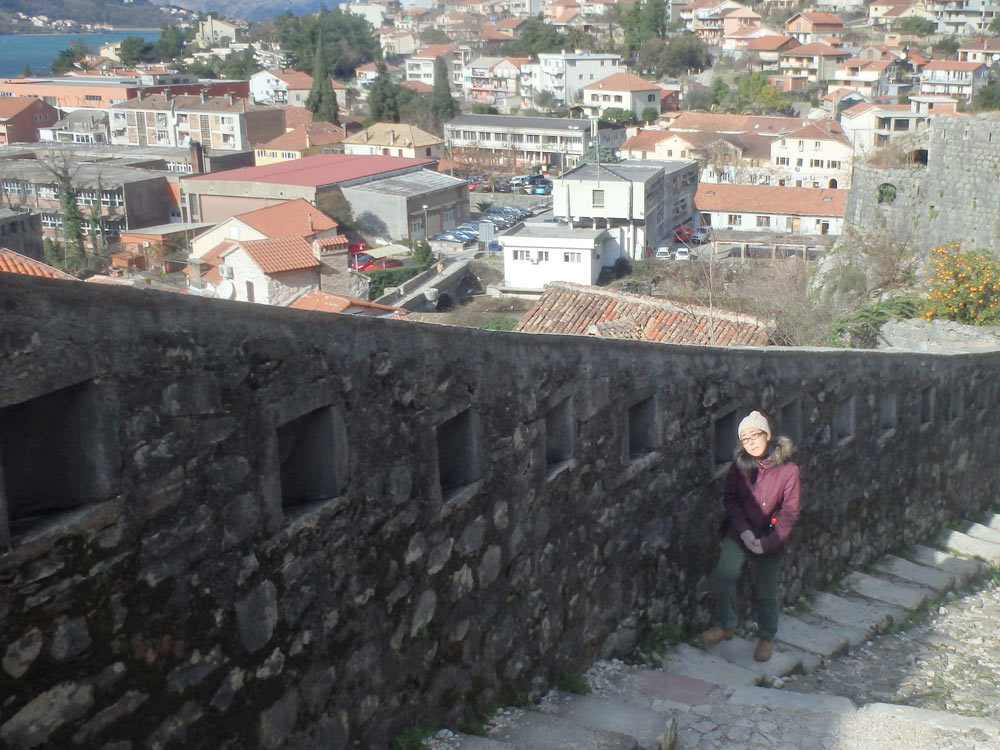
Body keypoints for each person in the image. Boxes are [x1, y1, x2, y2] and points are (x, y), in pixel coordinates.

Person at [701, 410, 801, 662]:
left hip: (771, 534)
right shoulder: (740, 466)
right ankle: (726, 624)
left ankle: (766, 636)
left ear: (767, 436)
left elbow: (789, 512)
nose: (751, 442)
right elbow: (731, 499)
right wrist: (744, 532)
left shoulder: (789, 471)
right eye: (745, 439)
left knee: (766, 589)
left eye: (755, 435)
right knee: (726, 572)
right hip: (741, 530)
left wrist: (766, 542)